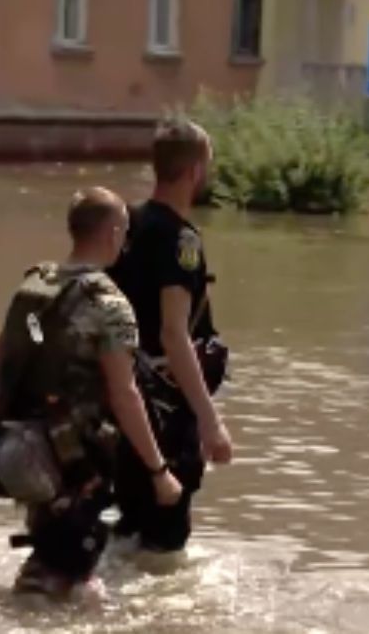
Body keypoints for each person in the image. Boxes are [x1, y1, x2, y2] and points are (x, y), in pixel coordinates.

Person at [0, 188, 183, 598]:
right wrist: (159, 471)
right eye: (124, 232)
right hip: (77, 460)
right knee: (69, 576)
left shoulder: (34, 287)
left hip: (23, 450)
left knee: (52, 557)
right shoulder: (109, 303)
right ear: (113, 233)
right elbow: (125, 394)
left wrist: (13, 430)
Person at [108, 119, 233, 557]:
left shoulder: (122, 223)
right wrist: (211, 422)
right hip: (165, 409)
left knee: (130, 526)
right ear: (195, 171)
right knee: (165, 543)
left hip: (122, 402)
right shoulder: (181, 239)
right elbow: (174, 334)